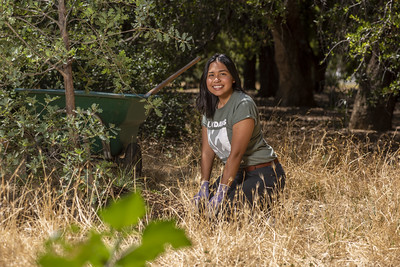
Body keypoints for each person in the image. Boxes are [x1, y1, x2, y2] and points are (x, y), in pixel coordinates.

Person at [193, 53, 285, 217]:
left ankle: (268, 210)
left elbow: (236, 155)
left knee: (222, 211)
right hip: (238, 173)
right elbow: (207, 152)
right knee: (201, 209)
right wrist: (204, 185)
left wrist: (221, 192)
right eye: (211, 75)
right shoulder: (209, 107)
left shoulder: (243, 104)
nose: (216, 80)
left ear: (233, 78)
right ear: (206, 80)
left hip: (263, 174)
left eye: (223, 74)